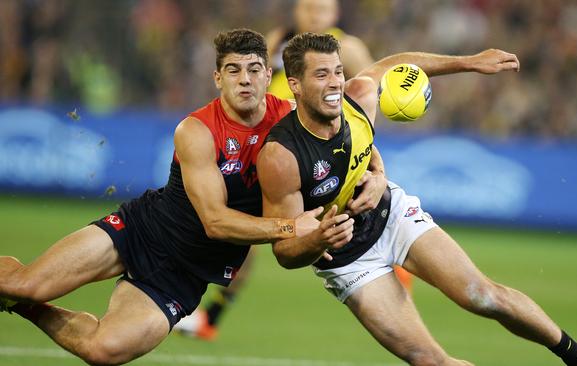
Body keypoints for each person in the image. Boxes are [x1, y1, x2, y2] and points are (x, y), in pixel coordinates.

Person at [256, 32, 577, 366]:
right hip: (347, 260)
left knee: (482, 296)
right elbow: (285, 251)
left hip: (391, 215)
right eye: (322, 75)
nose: (336, 83)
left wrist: (468, 63)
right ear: (295, 85)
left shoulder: (360, 97)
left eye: (337, 71)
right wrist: (318, 238)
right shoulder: (281, 156)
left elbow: (397, 64)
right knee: (430, 361)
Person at [0, 28, 332, 365]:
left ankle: (22, 307)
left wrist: (375, 173)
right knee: (27, 284)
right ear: (218, 78)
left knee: (104, 350)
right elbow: (215, 222)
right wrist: (290, 227)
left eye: (254, 69)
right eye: (234, 70)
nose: (244, 79)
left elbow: (348, 135)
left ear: (268, 76)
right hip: (142, 232)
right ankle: (21, 296)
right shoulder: (197, 131)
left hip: (185, 276)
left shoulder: (295, 121)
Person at [175, 0, 410, 341]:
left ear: (335, 14)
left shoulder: (348, 49)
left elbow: (363, 105)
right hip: (276, 150)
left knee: (317, 224)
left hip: (322, 152)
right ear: (297, 10)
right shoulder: (278, 41)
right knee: (243, 233)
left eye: (323, 8)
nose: (315, 14)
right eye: (309, 7)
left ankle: (208, 315)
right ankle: (207, 314)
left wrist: (375, 164)